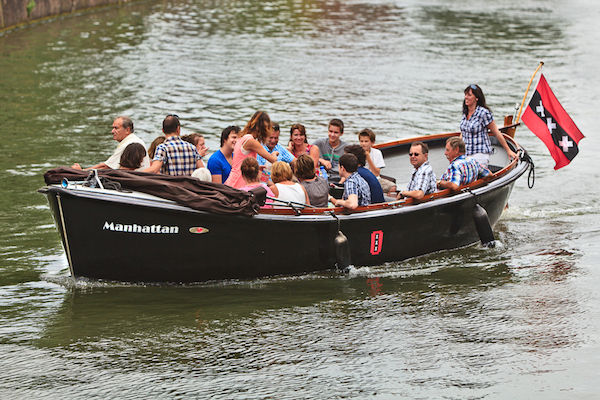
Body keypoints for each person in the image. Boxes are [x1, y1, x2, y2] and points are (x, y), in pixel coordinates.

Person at [461, 84, 517, 167]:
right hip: (466, 154)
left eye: (469, 95)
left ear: (476, 98)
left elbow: (496, 132)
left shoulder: (483, 113)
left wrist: (508, 150)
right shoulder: (465, 113)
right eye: (465, 94)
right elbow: (463, 133)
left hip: (479, 154)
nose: (466, 97)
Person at [71, 116, 150, 170]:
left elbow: (106, 167)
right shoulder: (134, 140)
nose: (112, 131)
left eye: (116, 128)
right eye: (113, 128)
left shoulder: (129, 144)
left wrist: (81, 171)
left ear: (127, 130)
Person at [224, 111, 279, 189]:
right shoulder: (251, 141)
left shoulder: (243, 138)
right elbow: (273, 160)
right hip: (240, 182)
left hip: (233, 180)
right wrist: (274, 154)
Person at [358, 128, 396, 194]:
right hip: (360, 179)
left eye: (366, 141)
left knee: (392, 187)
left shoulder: (377, 153)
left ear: (372, 143)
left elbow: (376, 173)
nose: (363, 144)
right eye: (361, 141)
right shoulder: (356, 152)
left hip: (375, 179)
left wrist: (368, 157)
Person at [313, 118, 347, 184]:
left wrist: (340, 183)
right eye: (330, 131)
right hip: (321, 179)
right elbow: (307, 156)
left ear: (341, 133)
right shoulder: (319, 143)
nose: (332, 135)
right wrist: (321, 160)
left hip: (339, 180)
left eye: (336, 132)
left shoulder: (346, 148)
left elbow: (349, 170)